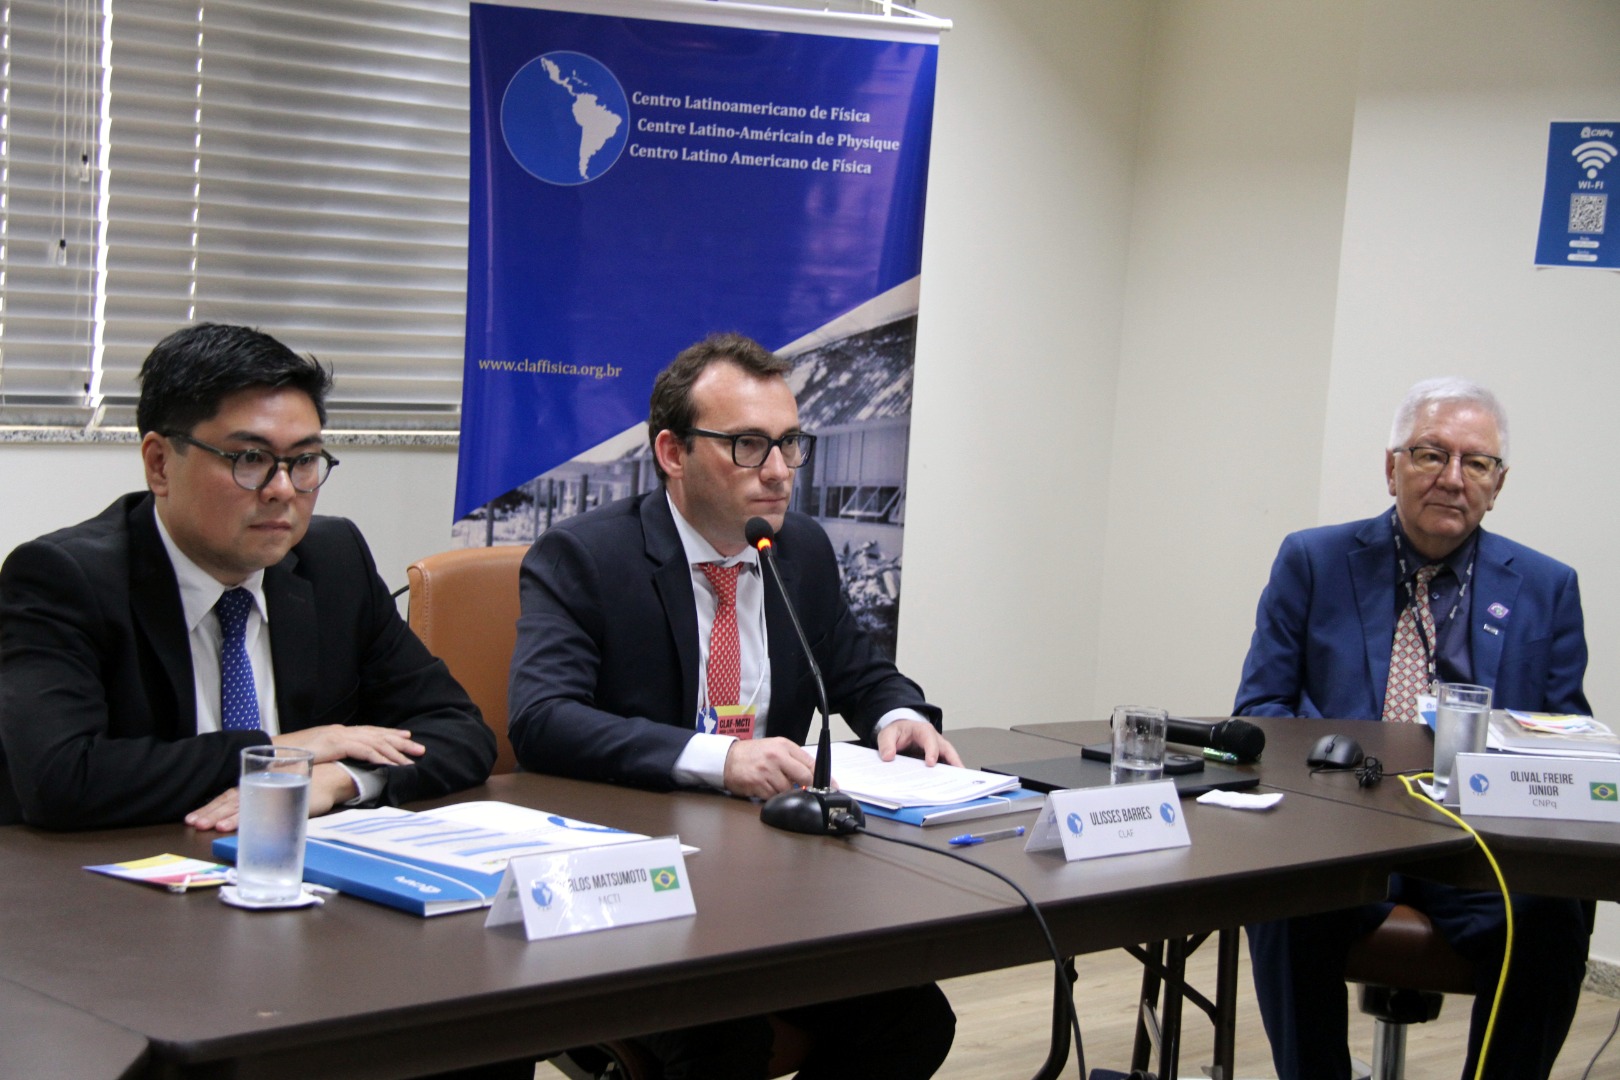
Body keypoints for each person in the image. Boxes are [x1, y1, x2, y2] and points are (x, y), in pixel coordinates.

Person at [509, 332, 958, 1079]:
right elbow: (542, 718)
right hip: (639, 882)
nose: (778, 471)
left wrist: (898, 717)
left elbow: (855, 670)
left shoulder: (798, 549)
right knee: (724, 1047)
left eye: (790, 443)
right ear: (672, 452)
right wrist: (721, 759)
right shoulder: (585, 556)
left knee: (913, 1022)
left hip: (770, 878)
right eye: (748, 445)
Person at [0, 323, 498, 831]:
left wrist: (338, 778)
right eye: (251, 458)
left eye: (304, 460)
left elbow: (458, 730)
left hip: (299, 861)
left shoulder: (334, 562)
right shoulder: (63, 579)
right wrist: (275, 752)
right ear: (159, 464)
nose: (283, 489)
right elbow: (59, 777)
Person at [1233, 377, 1591, 1080]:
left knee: (1556, 914)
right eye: (1431, 454)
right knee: (1281, 903)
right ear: (1391, 466)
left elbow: (1562, 735)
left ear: (1497, 484)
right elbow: (1262, 710)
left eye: (1476, 462)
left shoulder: (1546, 587)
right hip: (1339, 842)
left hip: (1475, 846)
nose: (1453, 478)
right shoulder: (1313, 561)